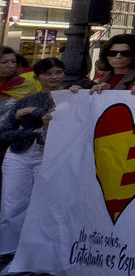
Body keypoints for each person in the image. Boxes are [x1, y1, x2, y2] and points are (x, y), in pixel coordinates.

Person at [0, 58, 64, 266]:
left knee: (46, 206)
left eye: (58, 72)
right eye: (48, 73)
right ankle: (8, 251)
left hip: (51, 155)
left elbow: (62, 119)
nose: (54, 77)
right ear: (37, 78)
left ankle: (38, 254)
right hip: (20, 154)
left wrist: (31, 112)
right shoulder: (24, 100)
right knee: (12, 204)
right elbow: (4, 133)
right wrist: (35, 129)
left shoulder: (71, 96)